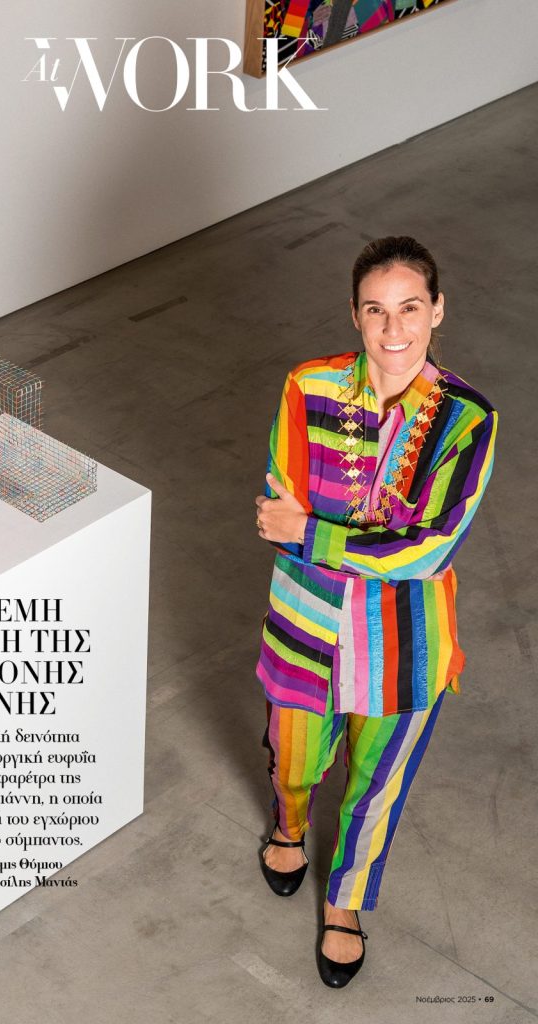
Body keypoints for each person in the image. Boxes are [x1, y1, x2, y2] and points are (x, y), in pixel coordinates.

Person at [254, 235, 498, 988]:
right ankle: (289, 824)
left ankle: (345, 903)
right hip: (305, 623)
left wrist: (318, 533)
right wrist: (364, 540)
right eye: (376, 310)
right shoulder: (308, 388)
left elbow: (429, 550)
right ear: (355, 316)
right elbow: (278, 511)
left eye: (410, 308)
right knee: (294, 762)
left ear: (437, 311)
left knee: (375, 785)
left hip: (404, 644)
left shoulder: (468, 420)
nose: (394, 329)